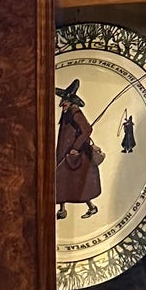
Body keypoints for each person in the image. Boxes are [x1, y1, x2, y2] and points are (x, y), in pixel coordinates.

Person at [55, 78, 101, 219]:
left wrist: (75, 148)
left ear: (70, 102)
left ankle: (91, 207)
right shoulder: (67, 113)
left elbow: (86, 129)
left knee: (80, 182)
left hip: (76, 155)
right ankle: (62, 209)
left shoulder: (75, 112)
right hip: (65, 152)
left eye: (65, 101)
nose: (62, 103)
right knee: (61, 180)